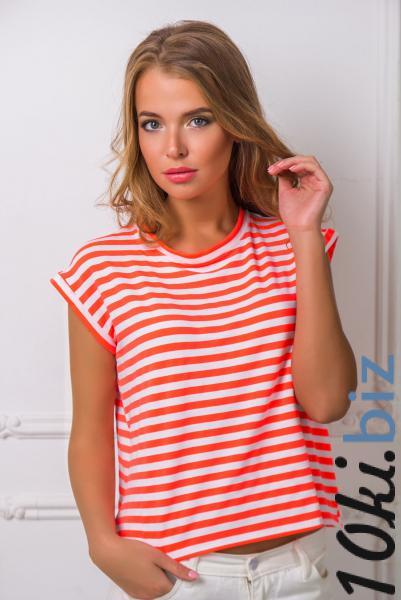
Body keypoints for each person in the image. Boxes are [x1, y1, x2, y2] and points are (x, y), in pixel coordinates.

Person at [50, 19, 358, 600]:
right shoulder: (102, 270)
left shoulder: (293, 247)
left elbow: (327, 402)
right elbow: (90, 427)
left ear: (235, 123)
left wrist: (304, 234)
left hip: (297, 571)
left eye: (197, 119)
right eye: (152, 123)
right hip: (179, 577)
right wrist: (101, 544)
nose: (173, 147)